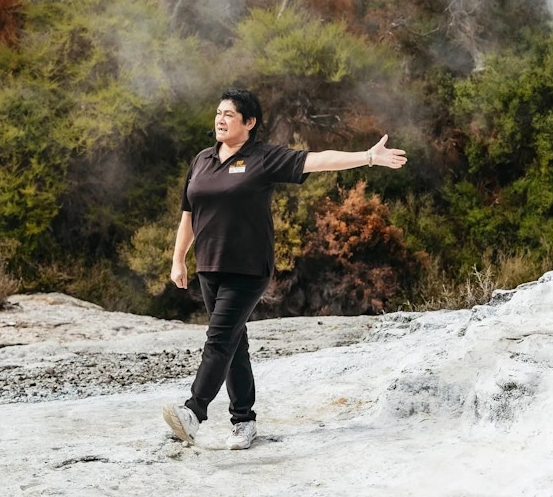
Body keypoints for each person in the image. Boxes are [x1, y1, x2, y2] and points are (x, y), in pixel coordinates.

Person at [163, 88, 407, 450]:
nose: (220, 119)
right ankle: (244, 421)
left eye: (229, 114)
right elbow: (188, 213)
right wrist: (178, 257)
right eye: (218, 113)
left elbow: (318, 160)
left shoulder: (263, 158)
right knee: (233, 343)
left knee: (218, 339)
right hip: (209, 266)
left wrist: (369, 156)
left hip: (248, 269)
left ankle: (193, 412)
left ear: (249, 123)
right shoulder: (202, 160)